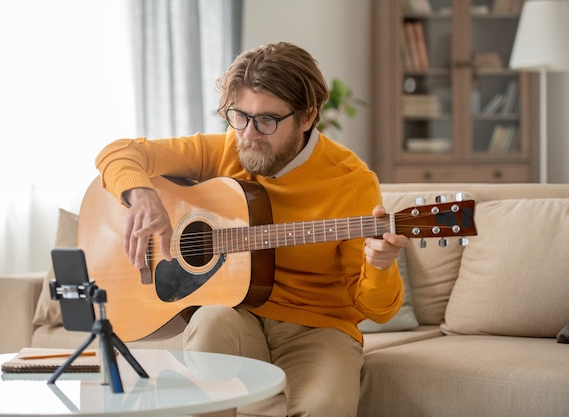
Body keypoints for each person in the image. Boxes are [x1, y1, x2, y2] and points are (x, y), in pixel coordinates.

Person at [95, 41, 409, 417]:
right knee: (209, 319)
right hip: (238, 316)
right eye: (238, 116)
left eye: (266, 121)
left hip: (318, 328)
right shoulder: (225, 149)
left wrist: (380, 263)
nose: (248, 134)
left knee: (325, 407)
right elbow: (118, 152)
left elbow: (379, 310)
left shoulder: (351, 181)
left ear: (307, 117)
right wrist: (142, 195)